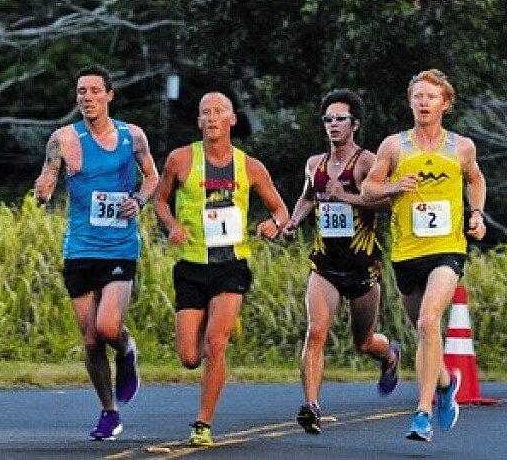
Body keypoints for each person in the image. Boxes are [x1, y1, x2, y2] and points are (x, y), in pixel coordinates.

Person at [152, 91, 289, 447]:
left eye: (218, 111)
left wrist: (274, 224)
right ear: (199, 121)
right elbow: (160, 200)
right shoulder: (181, 159)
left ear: (232, 119)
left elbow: (281, 210)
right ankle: (221, 324)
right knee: (189, 357)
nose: (212, 117)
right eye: (205, 112)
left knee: (215, 345)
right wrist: (172, 226)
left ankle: (203, 422)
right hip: (192, 266)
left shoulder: (250, 167)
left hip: (231, 265)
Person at [33, 65, 159, 442]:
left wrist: (139, 200)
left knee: (107, 328)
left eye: (94, 90)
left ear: (109, 95)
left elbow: (152, 177)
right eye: (81, 91)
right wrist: (43, 190)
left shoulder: (132, 136)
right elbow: (48, 176)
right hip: (80, 248)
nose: (87, 97)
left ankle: (126, 347)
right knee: (90, 340)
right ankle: (109, 412)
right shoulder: (63, 138)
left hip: (120, 246)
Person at [360, 69, 487, 442]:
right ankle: (446, 384)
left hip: (447, 249)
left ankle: (422, 413)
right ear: (410, 102)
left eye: (431, 97)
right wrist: (394, 186)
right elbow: (367, 190)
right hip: (407, 253)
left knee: (430, 320)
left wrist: (477, 214)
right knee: (424, 330)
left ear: (445, 103)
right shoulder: (394, 146)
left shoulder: (461, 147)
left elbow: (476, 179)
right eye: (418, 96)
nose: (423, 103)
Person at [280, 89, 400, 435]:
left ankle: (389, 355)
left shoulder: (367, 162)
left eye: (340, 119)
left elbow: (387, 202)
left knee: (363, 342)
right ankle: (312, 407)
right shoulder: (314, 164)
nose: (333, 125)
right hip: (325, 266)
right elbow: (308, 197)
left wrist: (345, 196)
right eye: (328, 119)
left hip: (362, 267)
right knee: (315, 332)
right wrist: (293, 221)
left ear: (355, 124)